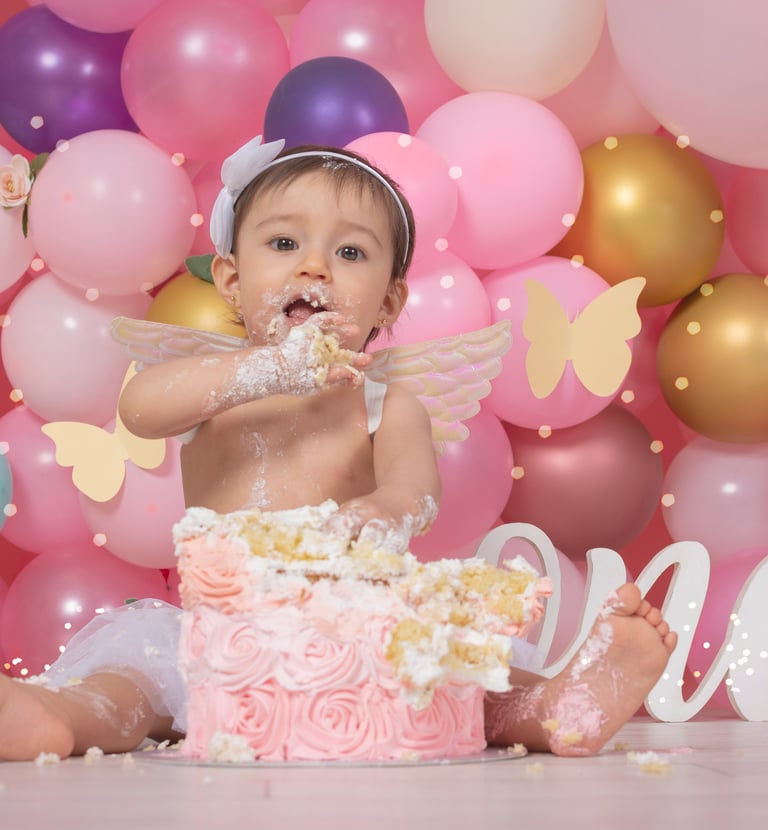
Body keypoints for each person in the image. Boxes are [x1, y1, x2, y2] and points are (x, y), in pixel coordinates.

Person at [0, 137, 677, 762]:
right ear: (232, 281)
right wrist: (264, 371)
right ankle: (57, 715)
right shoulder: (216, 385)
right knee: (133, 683)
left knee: (461, 680)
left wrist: (386, 508)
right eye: (285, 242)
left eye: (350, 254)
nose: (315, 266)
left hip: (354, 634)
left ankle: (559, 703)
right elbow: (139, 409)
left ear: (388, 302)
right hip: (222, 638)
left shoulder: (386, 403)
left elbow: (417, 493)